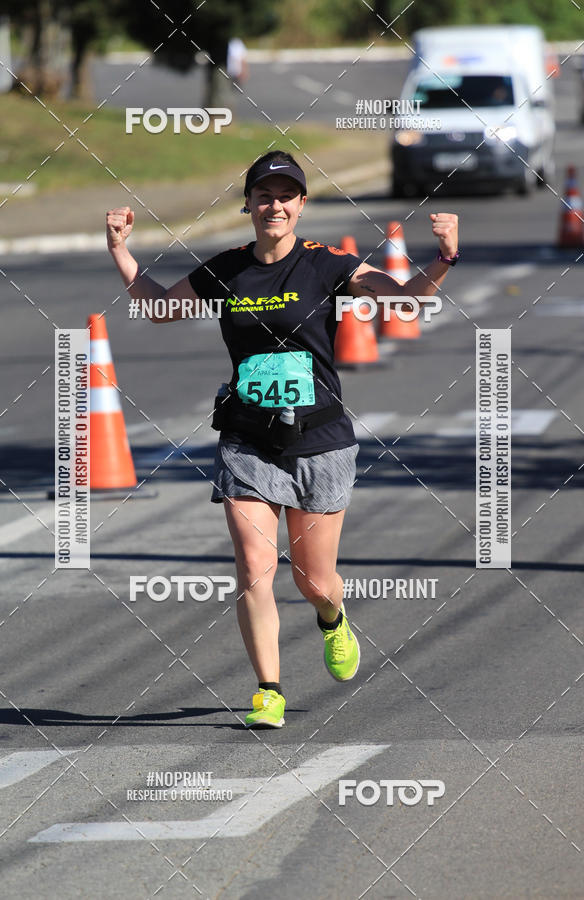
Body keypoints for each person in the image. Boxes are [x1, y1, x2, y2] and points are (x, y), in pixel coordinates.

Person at [106, 150, 459, 728]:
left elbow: (404, 297)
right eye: (264, 196)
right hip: (248, 440)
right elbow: (161, 307)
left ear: (301, 205)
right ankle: (268, 691)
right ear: (248, 204)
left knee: (313, 580)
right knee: (254, 568)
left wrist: (444, 258)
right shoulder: (228, 269)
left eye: (286, 196)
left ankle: (332, 617)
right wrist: (121, 250)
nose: (275, 205)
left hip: (320, 441)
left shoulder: (326, 264)